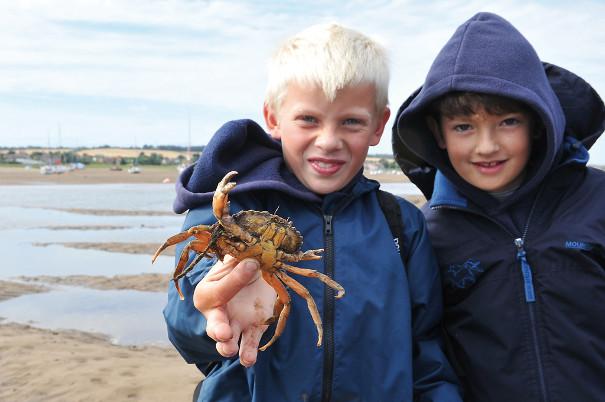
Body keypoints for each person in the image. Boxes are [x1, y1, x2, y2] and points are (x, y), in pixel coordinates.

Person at [162, 23, 462, 401]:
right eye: (309, 119)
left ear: (378, 126)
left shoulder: (401, 224)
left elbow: (427, 351)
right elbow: (187, 329)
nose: (329, 141)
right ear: (273, 118)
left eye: (351, 121)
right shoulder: (230, 210)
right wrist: (207, 313)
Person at [392, 12, 605, 402]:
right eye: (463, 127)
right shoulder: (428, 234)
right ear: (438, 133)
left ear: (539, 122)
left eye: (507, 122)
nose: (486, 146)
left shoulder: (598, 200)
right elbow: (423, 351)